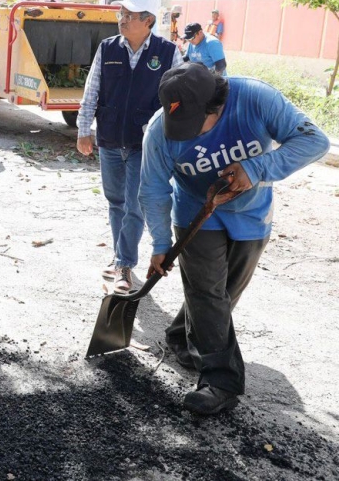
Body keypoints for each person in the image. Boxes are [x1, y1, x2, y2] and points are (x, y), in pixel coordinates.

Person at [139, 62, 329, 415]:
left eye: (197, 125)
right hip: (196, 213)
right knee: (207, 291)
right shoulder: (158, 132)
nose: (188, 134)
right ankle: (220, 381)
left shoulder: (256, 98)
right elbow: (152, 189)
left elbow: (315, 141)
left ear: (217, 105)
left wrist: (256, 168)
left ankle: (182, 333)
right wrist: (161, 243)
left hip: (252, 214)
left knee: (222, 294)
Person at [76, 0, 183, 293]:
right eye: (121, 14)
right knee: (115, 202)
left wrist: (171, 137)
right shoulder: (108, 48)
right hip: (110, 139)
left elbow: (179, 99)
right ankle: (119, 256)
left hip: (144, 144)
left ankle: (124, 265)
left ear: (148, 21)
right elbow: (91, 91)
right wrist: (85, 130)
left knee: (135, 205)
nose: (121, 20)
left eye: (128, 16)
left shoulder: (168, 52)